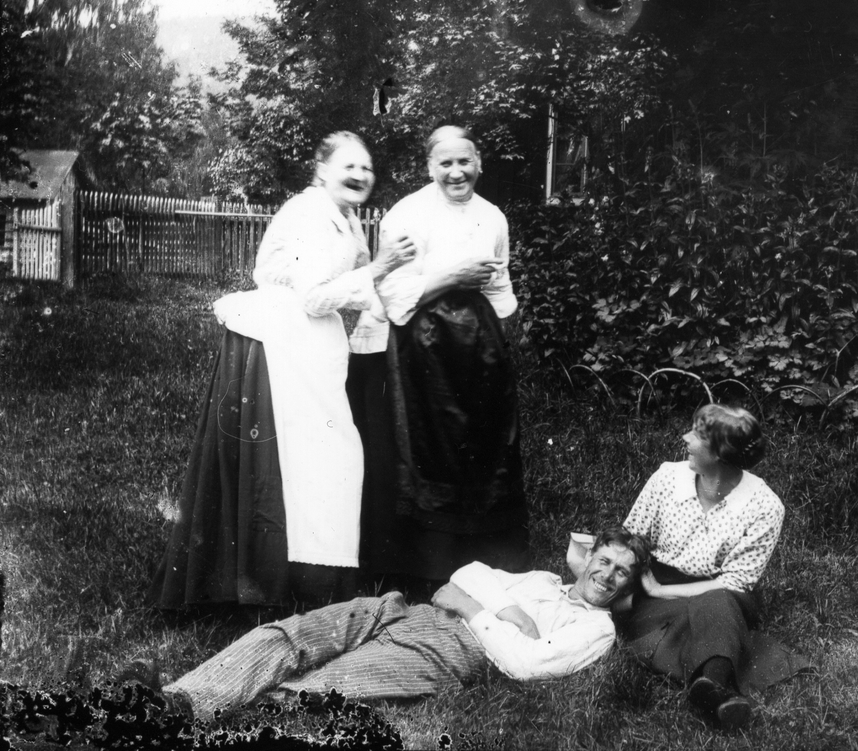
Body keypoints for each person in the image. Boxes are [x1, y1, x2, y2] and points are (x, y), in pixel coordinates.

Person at [152, 132, 415, 610]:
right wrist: (379, 269)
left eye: (367, 168)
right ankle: (280, 583)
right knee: (306, 464)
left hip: (309, 344)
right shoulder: (308, 214)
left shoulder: (344, 216)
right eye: (349, 166)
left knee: (325, 461)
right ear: (321, 169)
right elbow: (315, 297)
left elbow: (351, 286)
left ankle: (306, 581)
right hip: (279, 347)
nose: (360, 176)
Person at [148, 528, 651, 720]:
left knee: (316, 689)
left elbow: (530, 663)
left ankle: (197, 728)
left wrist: (474, 608)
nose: (607, 575)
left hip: (450, 652)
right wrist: (512, 614)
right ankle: (178, 702)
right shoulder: (542, 579)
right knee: (289, 636)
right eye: (604, 561)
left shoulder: (597, 631)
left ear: (628, 586)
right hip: (403, 610)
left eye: (621, 572)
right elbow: (469, 573)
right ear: (587, 559)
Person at [348, 126, 528, 593]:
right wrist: (453, 276)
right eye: (445, 163)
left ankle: (484, 560)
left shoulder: (492, 217)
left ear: (479, 161)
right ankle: (424, 568)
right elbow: (392, 292)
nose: (456, 172)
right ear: (430, 167)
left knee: (483, 446)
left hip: (479, 346)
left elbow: (499, 285)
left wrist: (500, 341)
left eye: (464, 161)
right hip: (419, 343)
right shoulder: (407, 214)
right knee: (427, 449)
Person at [615, 404, 810, 730]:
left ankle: (709, 681)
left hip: (723, 593)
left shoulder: (765, 506)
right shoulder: (667, 478)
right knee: (711, 622)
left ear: (721, 453)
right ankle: (718, 688)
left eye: (697, 435)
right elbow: (631, 538)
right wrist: (645, 582)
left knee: (715, 603)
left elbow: (735, 582)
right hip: (659, 590)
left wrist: (661, 591)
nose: (685, 438)